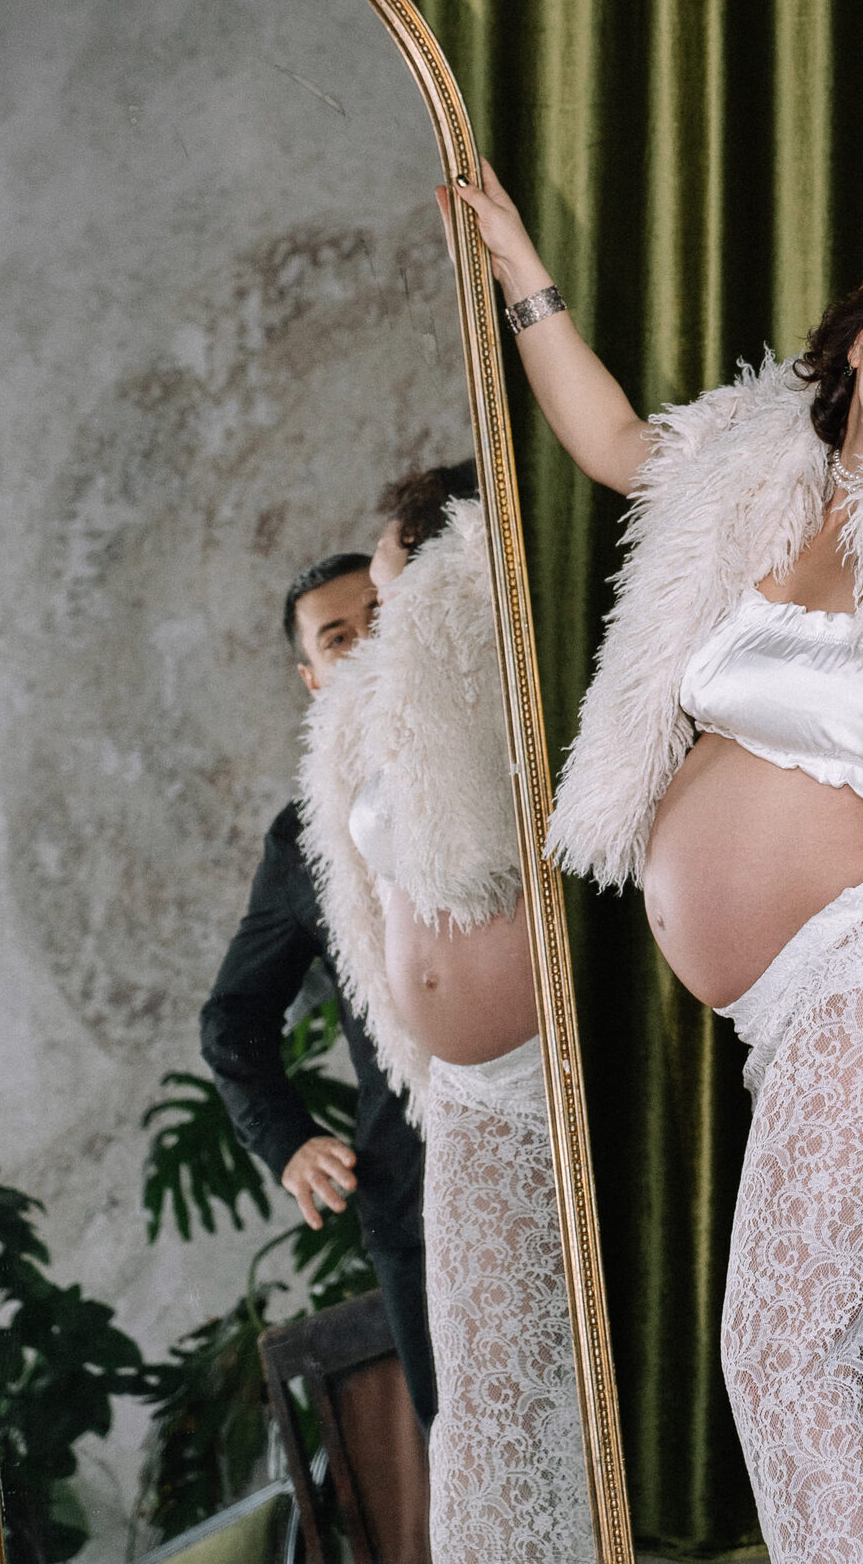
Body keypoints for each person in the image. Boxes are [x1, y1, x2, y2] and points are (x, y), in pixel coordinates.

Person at [447, 162, 863, 1564]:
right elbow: (615, 441)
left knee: (785, 1352)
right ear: (861, 336)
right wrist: (523, 275)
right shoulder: (761, 473)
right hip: (797, 1006)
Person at [299, 460, 594, 1564]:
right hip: (460, 1095)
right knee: (485, 1385)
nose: (378, 599)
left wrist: (447, 576)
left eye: (390, 567)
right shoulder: (366, 723)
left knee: (580, 1353)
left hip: (542, 1063)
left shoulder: (476, 645)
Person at [201, 551, 436, 1430]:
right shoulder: (301, 841)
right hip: (413, 1188)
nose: (366, 642)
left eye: (380, 614)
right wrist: (287, 1140)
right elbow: (232, 1018)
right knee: (474, 1441)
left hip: (569, 1127)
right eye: (338, 637)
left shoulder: (509, 728)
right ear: (312, 677)